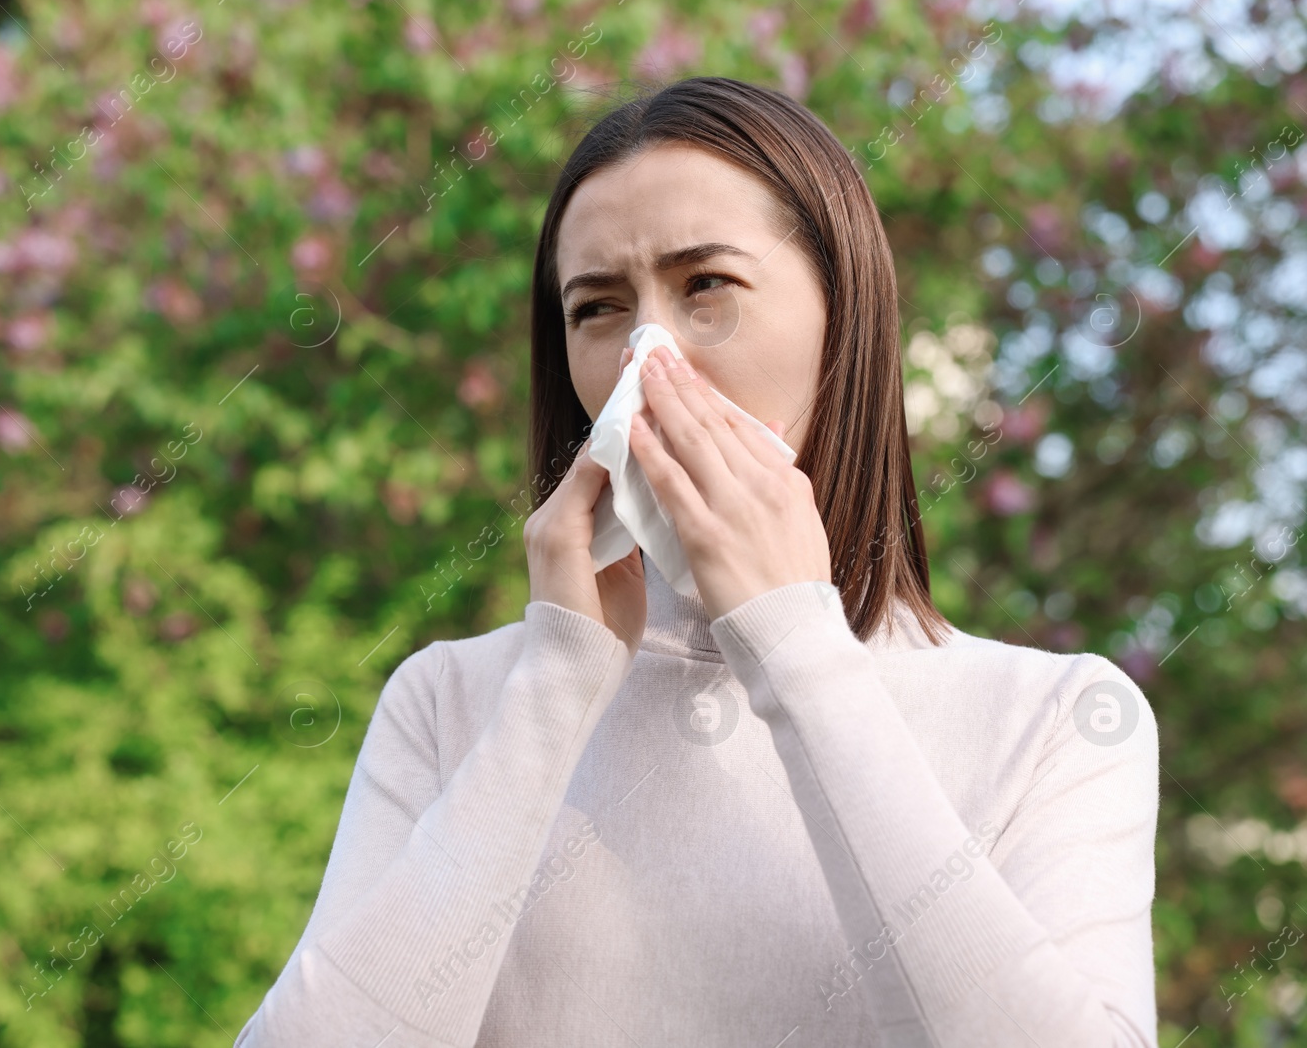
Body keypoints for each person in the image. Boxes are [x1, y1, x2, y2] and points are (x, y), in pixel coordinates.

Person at [234, 76, 1158, 1047]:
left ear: (843, 314)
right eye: (597, 308)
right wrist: (554, 684)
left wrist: (797, 647)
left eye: (704, 285)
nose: (648, 359)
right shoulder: (449, 701)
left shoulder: (1054, 721)